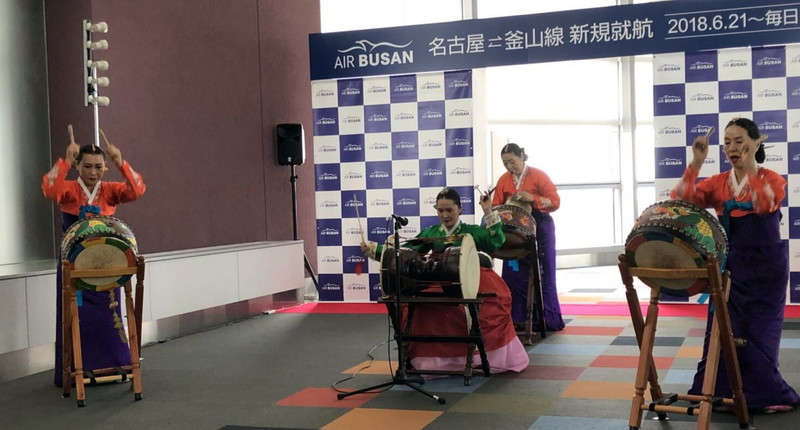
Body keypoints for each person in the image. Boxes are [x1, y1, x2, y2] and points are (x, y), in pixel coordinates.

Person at [671, 117, 800, 413]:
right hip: (730, 266)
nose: (732, 147)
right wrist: (696, 162)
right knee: (722, 328)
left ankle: (764, 394)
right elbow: (682, 199)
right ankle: (716, 391)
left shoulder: (772, 178)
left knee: (759, 332)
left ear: (756, 143)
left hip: (766, 268)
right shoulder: (718, 182)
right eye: (727, 142)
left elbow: (764, 204)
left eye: (739, 141)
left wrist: (749, 166)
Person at [361, 188, 529, 374]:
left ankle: (477, 356)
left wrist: (488, 211)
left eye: (449, 210)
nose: (445, 215)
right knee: (422, 307)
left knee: (491, 303)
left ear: (460, 210)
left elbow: (495, 241)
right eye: (440, 210)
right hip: (441, 280)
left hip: (472, 279)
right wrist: (375, 250)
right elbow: (405, 253)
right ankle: (432, 361)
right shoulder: (432, 232)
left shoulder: (471, 231)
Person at [42, 136, 146, 387]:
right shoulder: (69, 189)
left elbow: (136, 190)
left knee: (110, 313)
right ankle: (74, 370)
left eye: (99, 167)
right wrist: (66, 160)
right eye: (87, 166)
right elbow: (49, 189)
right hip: (74, 265)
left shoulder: (109, 191)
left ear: (104, 168)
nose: (93, 172)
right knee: (75, 316)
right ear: (78, 166)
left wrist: (120, 162)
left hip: (106, 265)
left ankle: (113, 364)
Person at [492, 143, 565, 331]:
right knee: (513, 273)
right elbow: (496, 206)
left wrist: (533, 198)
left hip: (540, 227)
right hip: (514, 231)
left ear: (522, 156)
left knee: (544, 271)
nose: (509, 166)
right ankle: (517, 318)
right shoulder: (503, 180)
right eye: (505, 163)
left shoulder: (539, 175)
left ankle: (547, 319)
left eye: (512, 161)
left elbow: (555, 202)